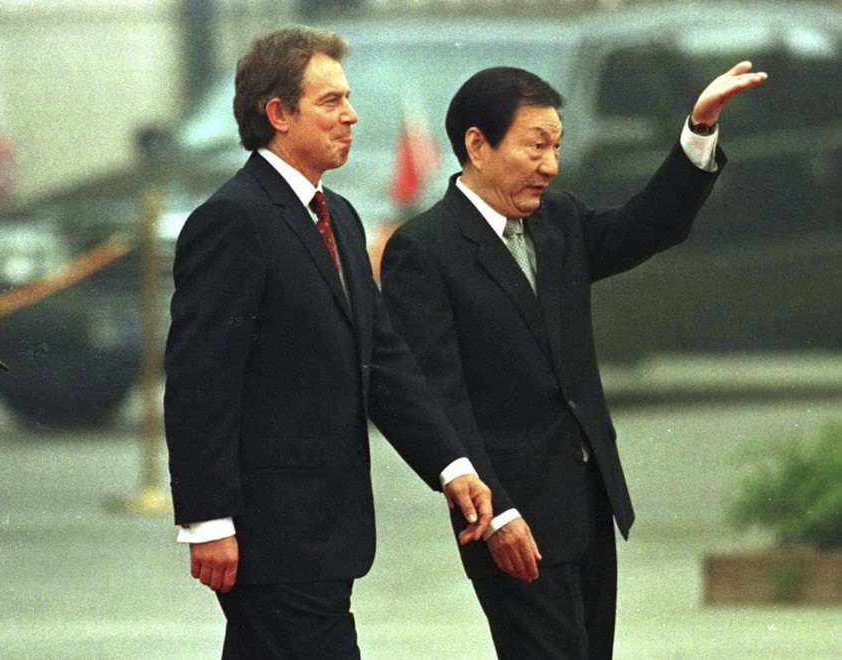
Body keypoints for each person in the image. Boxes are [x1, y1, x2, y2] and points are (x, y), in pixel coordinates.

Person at [380, 63, 767, 658]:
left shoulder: (557, 221)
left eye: (556, 147)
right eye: (536, 147)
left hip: (586, 504)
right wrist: (499, 511)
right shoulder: (424, 249)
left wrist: (699, 127)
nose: (551, 166)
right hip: (510, 517)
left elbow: (647, 227)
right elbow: (438, 399)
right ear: (477, 146)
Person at [163, 27, 493, 659]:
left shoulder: (337, 214)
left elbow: (384, 361)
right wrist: (205, 521)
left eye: (349, 98)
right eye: (332, 101)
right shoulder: (232, 221)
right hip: (271, 535)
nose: (352, 114)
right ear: (279, 114)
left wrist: (451, 464)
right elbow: (201, 379)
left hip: (325, 532)